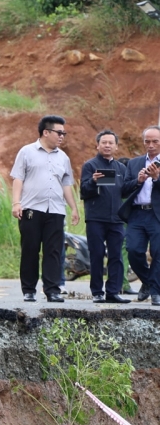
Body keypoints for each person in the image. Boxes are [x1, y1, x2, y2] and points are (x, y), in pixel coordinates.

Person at [10, 115, 79, 303]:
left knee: (54, 251)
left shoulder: (63, 157)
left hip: (56, 210)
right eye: (59, 132)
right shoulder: (26, 152)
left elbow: (66, 185)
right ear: (46, 132)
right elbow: (18, 178)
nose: (62, 136)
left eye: (64, 133)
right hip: (31, 209)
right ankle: (29, 289)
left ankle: (52, 290)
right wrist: (16, 203)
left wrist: (73, 208)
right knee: (30, 249)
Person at [79, 130, 131, 304]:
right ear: (98, 145)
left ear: (116, 146)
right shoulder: (90, 165)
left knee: (116, 256)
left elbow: (124, 191)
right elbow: (84, 192)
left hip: (116, 219)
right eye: (104, 142)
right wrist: (93, 182)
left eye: (111, 143)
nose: (107, 145)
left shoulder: (121, 168)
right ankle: (97, 292)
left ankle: (113, 292)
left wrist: (138, 181)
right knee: (97, 254)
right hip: (96, 219)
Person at [121, 125, 160, 306]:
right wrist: (137, 181)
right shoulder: (134, 163)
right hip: (137, 213)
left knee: (157, 252)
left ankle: (155, 291)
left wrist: (157, 178)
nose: (150, 145)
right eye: (147, 141)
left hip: (156, 213)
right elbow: (123, 189)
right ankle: (150, 282)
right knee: (134, 250)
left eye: (155, 141)